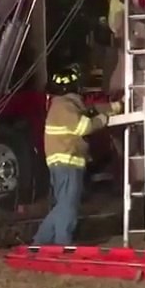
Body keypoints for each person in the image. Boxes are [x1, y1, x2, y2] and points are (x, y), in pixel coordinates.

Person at [33, 64, 115, 246]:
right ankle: (63, 243)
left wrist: (113, 107)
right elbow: (83, 126)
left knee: (62, 205)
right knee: (68, 207)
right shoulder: (66, 105)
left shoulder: (61, 105)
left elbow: (90, 111)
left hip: (62, 162)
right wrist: (103, 120)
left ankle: (40, 242)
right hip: (68, 161)